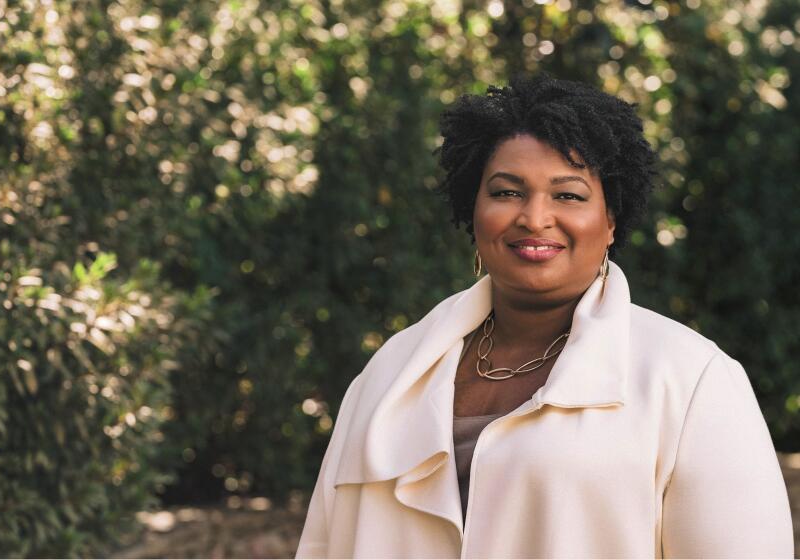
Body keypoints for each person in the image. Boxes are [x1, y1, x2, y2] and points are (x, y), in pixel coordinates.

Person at [295, 74, 794, 558]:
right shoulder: (392, 371)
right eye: (507, 192)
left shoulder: (691, 380)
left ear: (611, 220)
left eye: (568, 195)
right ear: (474, 210)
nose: (534, 218)